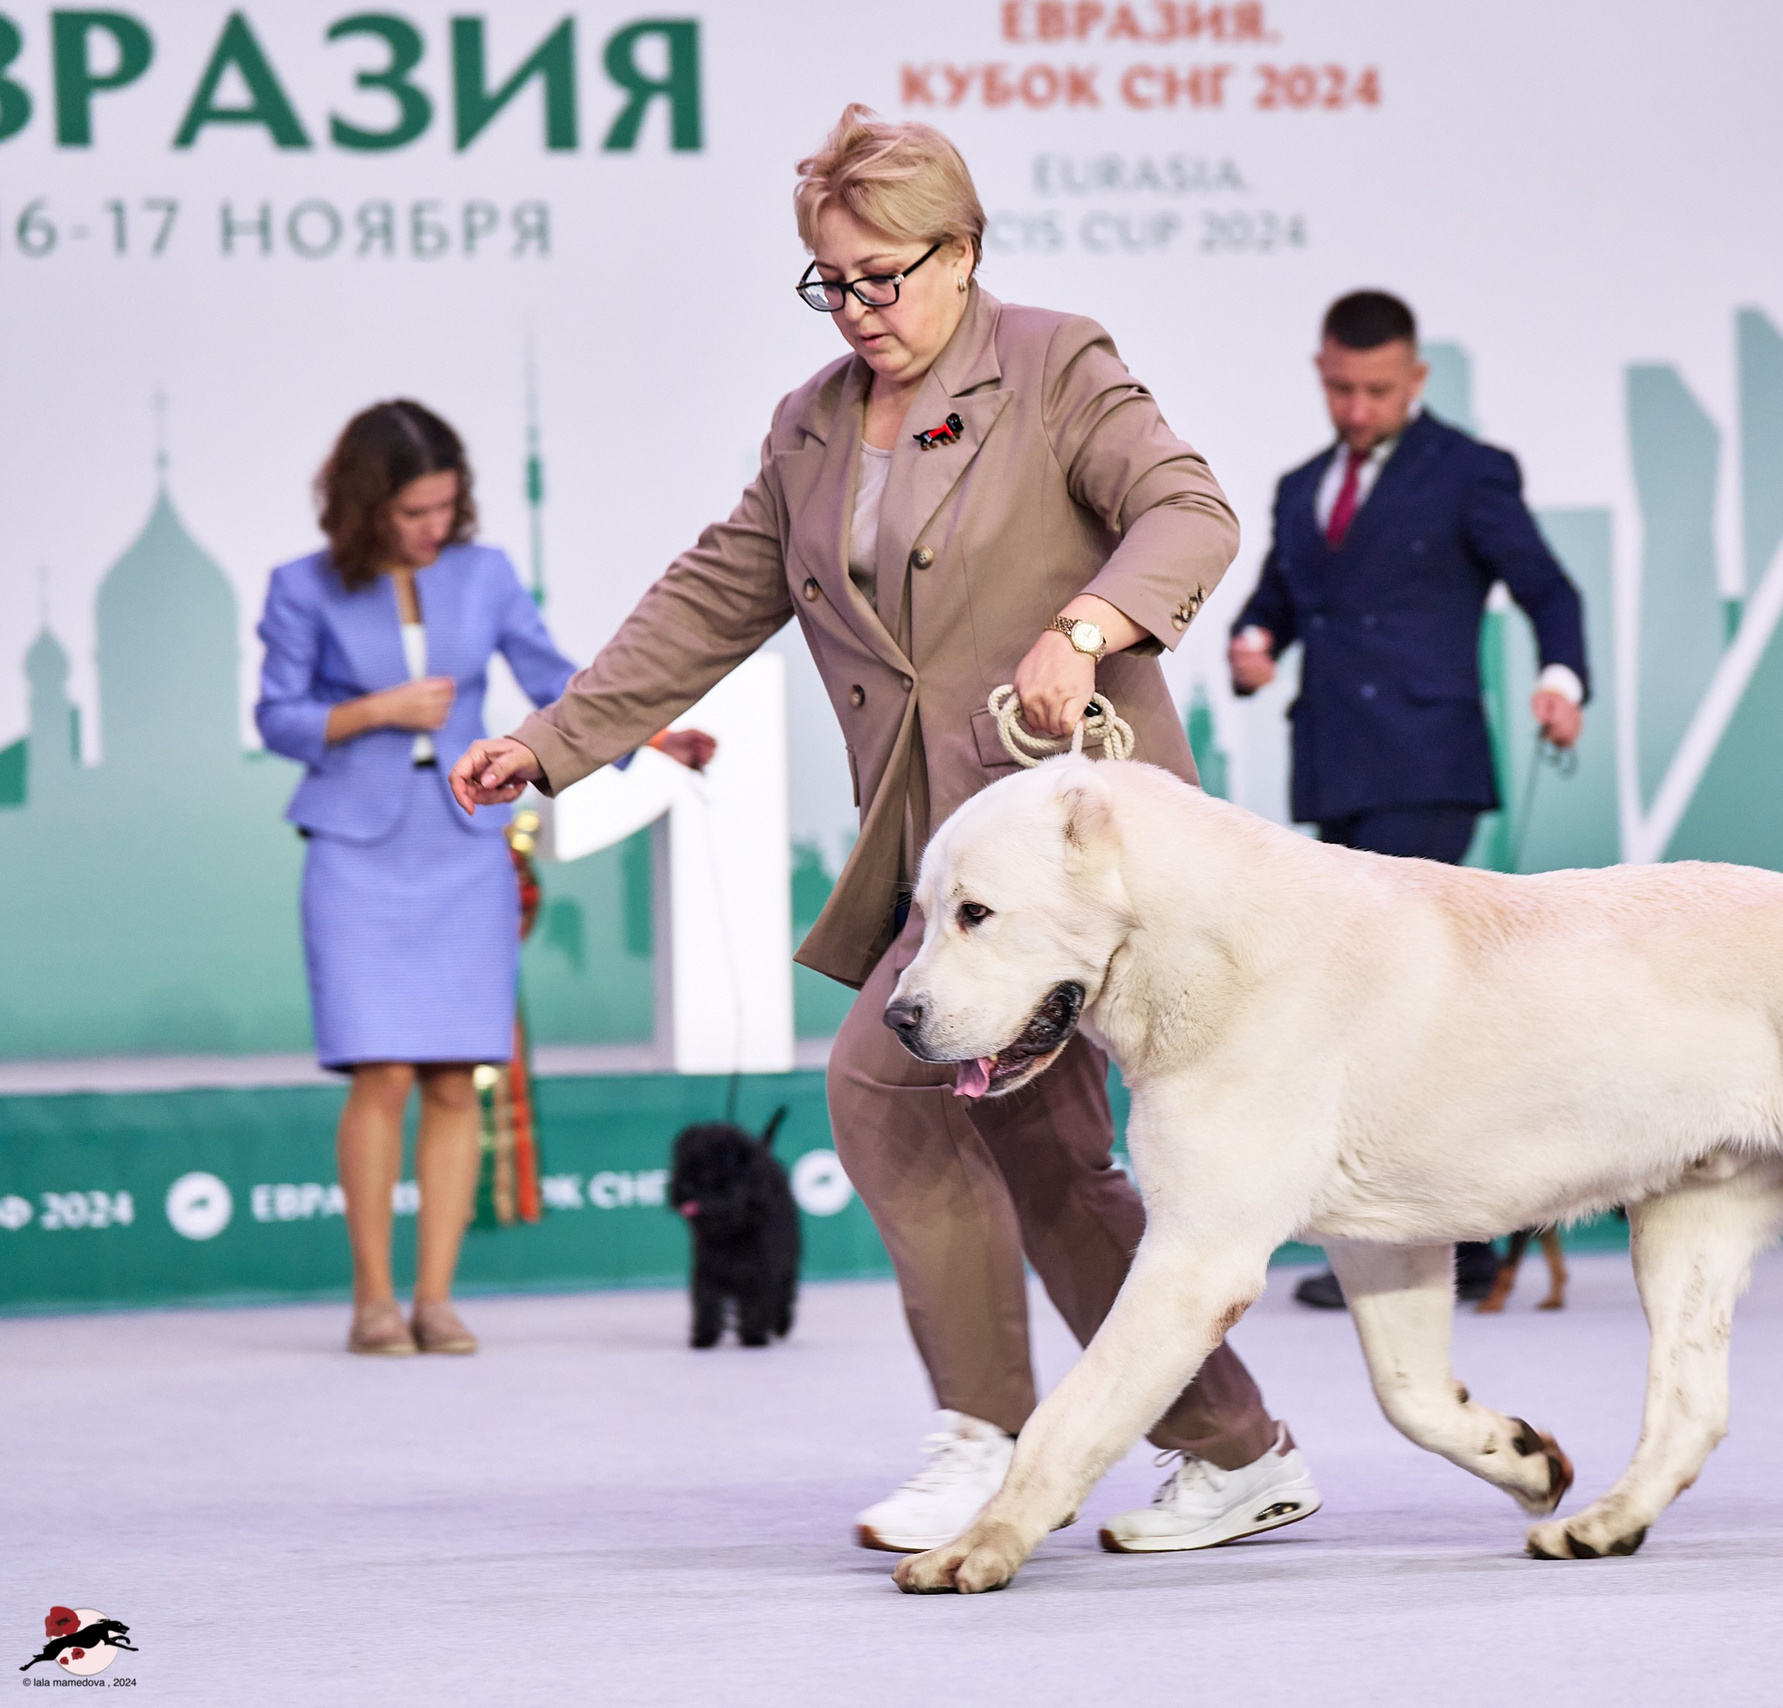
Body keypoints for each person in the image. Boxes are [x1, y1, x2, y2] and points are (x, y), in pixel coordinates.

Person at [447, 106, 1319, 1556]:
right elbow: (710, 599)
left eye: (882, 277)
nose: (857, 311)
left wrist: (1086, 625)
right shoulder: (807, 426)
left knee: (895, 1093)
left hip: (1084, 860)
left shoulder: (1055, 364)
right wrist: (548, 744)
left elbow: (1188, 509)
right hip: (945, 859)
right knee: (1035, 1157)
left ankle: (996, 1440)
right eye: (828, 281)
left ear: (963, 253)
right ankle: (1229, 1448)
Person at [254, 401, 714, 1358]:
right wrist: (373, 710)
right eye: (414, 510)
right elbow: (279, 720)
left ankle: (436, 1299)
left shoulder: (487, 574)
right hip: (356, 848)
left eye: (445, 507)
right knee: (380, 1073)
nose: (434, 526)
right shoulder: (300, 588)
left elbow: (559, 679)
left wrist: (654, 735)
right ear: (367, 504)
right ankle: (374, 1302)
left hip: (466, 843)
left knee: (457, 1079)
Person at [1229, 290, 1589, 1310]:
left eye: (1377, 389)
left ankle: (1449, 1237)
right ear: (1319, 372)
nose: (1357, 407)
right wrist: (1253, 647)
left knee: (1410, 1007)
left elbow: (1547, 591)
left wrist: (1560, 679)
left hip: (1427, 762)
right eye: (1341, 387)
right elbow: (1278, 604)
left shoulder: (1468, 471)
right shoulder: (1300, 487)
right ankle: (1390, 1236)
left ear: (1415, 379)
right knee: (1354, 1007)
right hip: (1337, 765)